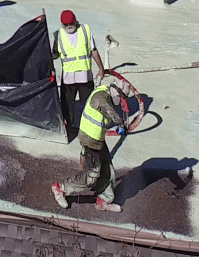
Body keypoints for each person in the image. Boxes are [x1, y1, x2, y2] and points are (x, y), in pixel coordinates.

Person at [53, 73, 139, 212]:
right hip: (90, 140)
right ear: (115, 90)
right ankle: (61, 188)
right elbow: (104, 107)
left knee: (107, 169)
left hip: (97, 139)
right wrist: (120, 123)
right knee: (91, 176)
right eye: (120, 97)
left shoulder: (105, 92)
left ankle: (103, 200)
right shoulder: (100, 97)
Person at [51, 9, 103, 141]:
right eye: (66, 24)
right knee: (67, 107)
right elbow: (52, 55)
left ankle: (89, 130)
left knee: (88, 106)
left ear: (75, 21)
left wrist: (101, 69)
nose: (69, 26)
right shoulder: (59, 35)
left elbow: (94, 50)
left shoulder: (85, 30)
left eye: (71, 24)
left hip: (85, 77)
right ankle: (69, 131)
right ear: (62, 24)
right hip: (68, 79)